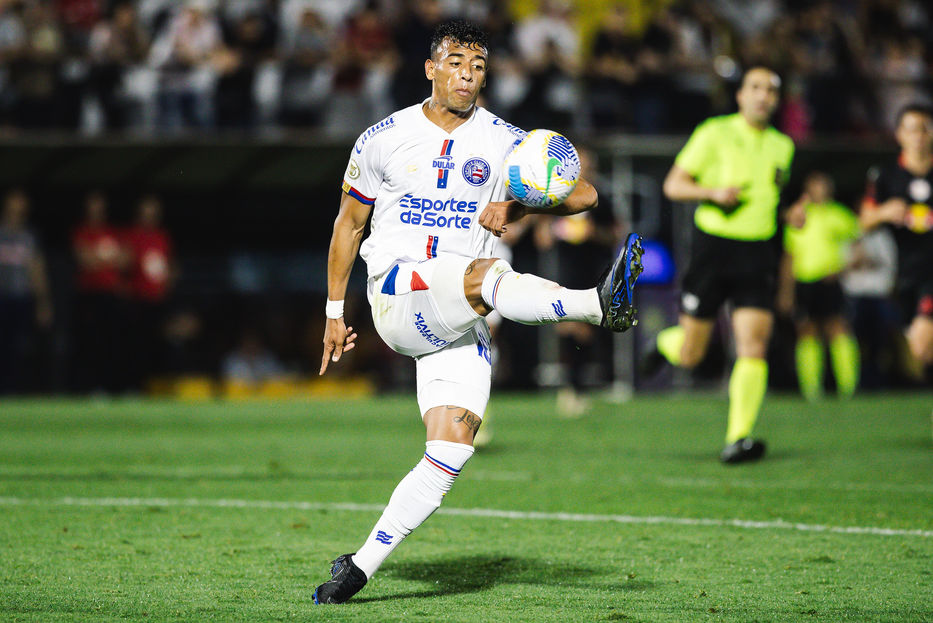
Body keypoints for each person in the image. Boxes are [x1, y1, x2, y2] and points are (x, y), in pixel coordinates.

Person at [314, 19, 644, 604]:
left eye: (479, 66)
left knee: (449, 452)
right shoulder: (382, 137)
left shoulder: (504, 139)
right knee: (488, 274)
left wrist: (515, 205)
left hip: (460, 317)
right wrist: (335, 310)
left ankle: (358, 567)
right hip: (398, 292)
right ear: (430, 68)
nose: (468, 75)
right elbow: (349, 224)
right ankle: (596, 304)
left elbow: (584, 195)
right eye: (456, 62)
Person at [647, 66, 797, 464]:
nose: (763, 95)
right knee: (693, 353)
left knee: (754, 344)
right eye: (755, 87)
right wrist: (713, 192)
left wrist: (791, 215)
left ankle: (739, 438)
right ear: (740, 95)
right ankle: (666, 343)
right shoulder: (715, 132)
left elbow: (773, 199)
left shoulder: (783, 146)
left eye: (771, 89)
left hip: (758, 252)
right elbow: (673, 185)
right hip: (713, 249)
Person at [860, 103, 933, 376]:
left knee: (924, 336)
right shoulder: (886, 176)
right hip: (903, 273)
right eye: (912, 129)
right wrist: (884, 211)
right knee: (919, 351)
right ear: (900, 134)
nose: (919, 136)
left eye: (925, 129)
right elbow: (864, 221)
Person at [777, 171, 861, 400]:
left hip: (830, 281)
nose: (820, 189)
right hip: (805, 281)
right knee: (807, 331)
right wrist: (786, 291)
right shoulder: (800, 216)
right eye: (815, 185)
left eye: (823, 185)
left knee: (838, 328)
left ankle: (848, 388)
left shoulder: (840, 215)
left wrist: (842, 268)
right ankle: (812, 390)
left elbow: (860, 248)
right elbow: (789, 256)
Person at [0, 189, 52, 393]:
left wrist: (43, 302)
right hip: (1, 297)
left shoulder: (29, 236)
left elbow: (37, 269)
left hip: (22, 297)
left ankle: (16, 390)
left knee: (20, 346)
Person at [123, 195, 175, 391]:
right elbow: (124, 265)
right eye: (146, 213)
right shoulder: (133, 235)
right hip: (138, 300)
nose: (150, 217)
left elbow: (169, 264)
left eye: (153, 213)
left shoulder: (162, 236)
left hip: (158, 300)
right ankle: (133, 386)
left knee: (159, 346)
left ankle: (157, 387)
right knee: (136, 347)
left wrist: (170, 277)